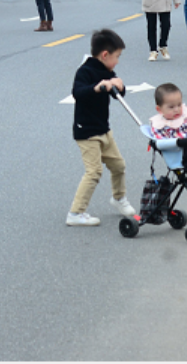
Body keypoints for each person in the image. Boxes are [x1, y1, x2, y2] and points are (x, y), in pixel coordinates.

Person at [67, 29, 136, 226]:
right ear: (105, 55)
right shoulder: (85, 71)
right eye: (117, 57)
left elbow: (116, 93)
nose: (118, 61)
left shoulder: (107, 71)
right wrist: (98, 87)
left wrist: (119, 85)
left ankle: (118, 198)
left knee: (118, 165)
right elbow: (78, 93)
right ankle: (76, 213)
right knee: (94, 172)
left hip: (104, 130)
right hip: (87, 133)